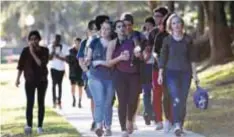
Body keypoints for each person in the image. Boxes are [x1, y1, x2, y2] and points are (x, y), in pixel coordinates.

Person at [158, 14, 199, 137]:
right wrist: (160, 74)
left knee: (183, 99)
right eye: (174, 23)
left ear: (182, 25)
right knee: (176, 98)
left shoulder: (188, 39)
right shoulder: (167, 40)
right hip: (171, 73)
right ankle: (176, 124)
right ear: (170, 26)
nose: (176, 25)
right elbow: (163, 58)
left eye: (178, 23)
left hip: (186, 73)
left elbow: (192, 59)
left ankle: (180, 124)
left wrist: (195, 75)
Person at [106, 20, 142, 137]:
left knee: (133, 99)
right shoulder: (112, 43)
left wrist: (138, 53)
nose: (122, 28)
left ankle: (130, 119)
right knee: (122, 101)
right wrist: (120, 58)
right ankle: (123, 129)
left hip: (134, 74)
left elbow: (139, 53)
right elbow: (109, 62)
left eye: (124, 26)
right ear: (115, 30)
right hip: (119, 74)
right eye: (119, 26)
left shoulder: (133, 40)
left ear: (127, 29)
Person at [15, 30, 49, 135]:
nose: (33, 41)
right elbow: (20, 66)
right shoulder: (25, 51)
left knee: (41, 103)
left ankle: (39, 126)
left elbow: (41, 64)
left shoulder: (44, 50)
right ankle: (29, 125)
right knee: (30, 103)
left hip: (42, 80)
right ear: (29, 40)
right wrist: (17, 79)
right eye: (31, 39)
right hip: (29, 81)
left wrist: (33, 52)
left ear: (39, 39)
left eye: (35, 39)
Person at [85, 21, 114, 137]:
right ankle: (98, 126)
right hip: (95, 76)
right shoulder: (94, 42)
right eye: (103, 29)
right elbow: (88, 57)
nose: (105, 31)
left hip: (110, 78)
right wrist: (88, 60)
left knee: (108, 103)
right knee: (99, 102)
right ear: (100, 30)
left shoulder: (114, 43)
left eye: (107, 29)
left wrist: (100, 62)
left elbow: (112, 62)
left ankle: (108, 126)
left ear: (111, 31)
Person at [147, 7, 172, 131]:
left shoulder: (171, 31)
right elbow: (150, 49)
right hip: (156, 68)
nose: (155, 18)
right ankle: (158, 121)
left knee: (169, 94)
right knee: (156, 94)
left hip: (171, 68)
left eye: (158, 16)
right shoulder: (153, 33)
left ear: (164, 17)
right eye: (154, 15)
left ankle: (171, 119)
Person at [120, 13, 146, 130]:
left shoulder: (139, 35)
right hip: (121, 71)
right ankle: (127, 120)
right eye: (124, 25)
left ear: (133, 25)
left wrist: (140, 51)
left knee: (135, 96)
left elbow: (145, 50)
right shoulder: (118, 36)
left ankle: (132, 119)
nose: (127, 27)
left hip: (137, 70)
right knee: (124, 97)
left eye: (129, 25)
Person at [77, 20, 98, 131]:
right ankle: (95, 120)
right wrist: (88, 72)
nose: (95, 32)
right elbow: (80, 60)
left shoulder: (102, 41)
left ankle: (101, 120)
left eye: (96, 29)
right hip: (89, 75)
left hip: (103, 75)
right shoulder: (85, 42)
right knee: (94, 98)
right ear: (88, 31)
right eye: (93, 29)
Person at [140, 16, 156, 125]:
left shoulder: (157, 35)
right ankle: (147, 112)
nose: (148, 27)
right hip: (145, 66)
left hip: (155, 66)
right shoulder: (143, 37)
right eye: (146, 25)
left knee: (155, 91)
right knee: (146, 91)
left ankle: (153, 112)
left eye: (150, 24)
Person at [48, 34, 69, 109]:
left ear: (60, 40)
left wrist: (59, 57)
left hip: (61, 68)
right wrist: (53, 50)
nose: (56, 41)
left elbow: (66, 59)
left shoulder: (64, 47)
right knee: (53, 85)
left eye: (58, 39)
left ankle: (59, 102)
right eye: (55, 39)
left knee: (59, 85)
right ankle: (54, 102)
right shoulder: (50, 46)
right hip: (53, 68)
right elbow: (49, 58)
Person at [66, 37, 83, 108]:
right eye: (76, 42)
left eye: (79, 43)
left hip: (81, 71)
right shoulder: (70, 51)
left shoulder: (83, 51)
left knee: (80, 87)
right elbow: (67, 60)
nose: (77, 44)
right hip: (73, 71)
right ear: (74, 42)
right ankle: (74, 99)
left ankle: (79, 101)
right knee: (73, 86)